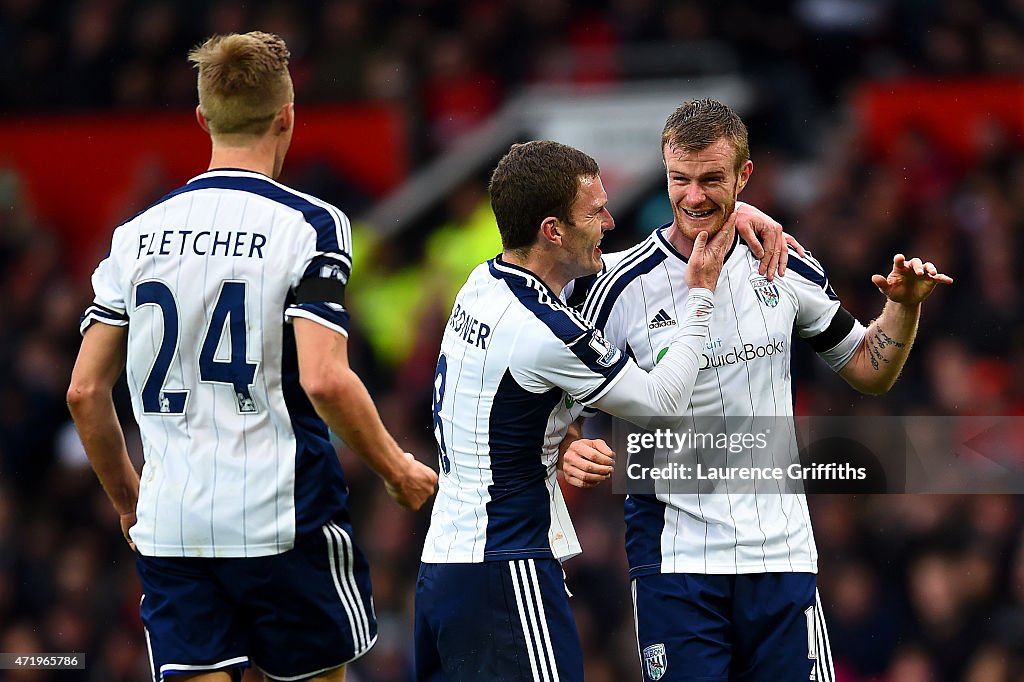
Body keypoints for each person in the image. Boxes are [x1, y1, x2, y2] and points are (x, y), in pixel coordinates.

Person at [66, 31, 437, 682]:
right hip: (282, 520)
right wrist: (396, 467)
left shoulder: (135, 237)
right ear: (287, 115)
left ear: (203, 119)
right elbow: (324, 377)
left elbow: (85, 393)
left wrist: (131, 503)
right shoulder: (311, 226)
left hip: (174, 525)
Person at [571, 98, 953, 682]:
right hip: (675, 564)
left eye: (712, 180)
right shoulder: (621, 285)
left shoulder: (783, 264)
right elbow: (548, 385)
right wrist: (571, 440)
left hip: (782, 556)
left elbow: (870, 368)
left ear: (744, 177)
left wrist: (901, 309)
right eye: (681, 179)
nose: (693, 196)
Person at [414, 139, 793, 681]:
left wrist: (729, 215)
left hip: (445, 569)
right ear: (552, 230)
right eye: (594, 212)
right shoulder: (547, 332)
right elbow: (662, 403)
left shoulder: (482, 284)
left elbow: (513, 406)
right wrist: (701, 296)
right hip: (507, 567)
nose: (610, 221)